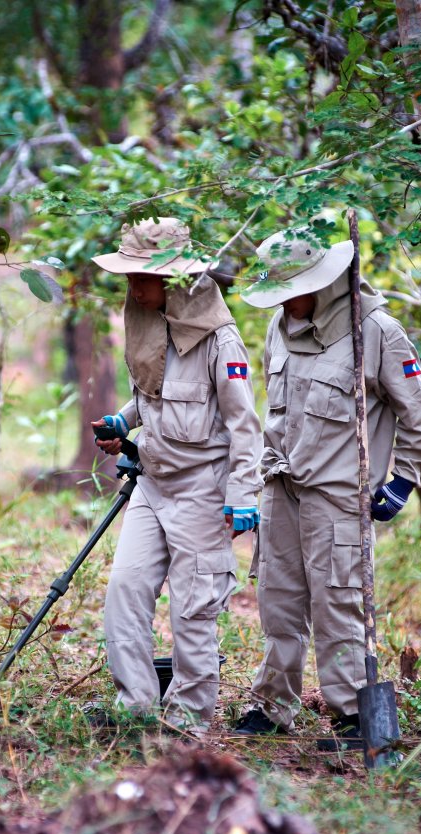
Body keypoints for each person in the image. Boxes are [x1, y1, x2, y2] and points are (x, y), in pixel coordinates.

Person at [231, 223, 421, 749]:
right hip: (281, 484)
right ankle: (273, 705)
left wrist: (404, 480)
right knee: (277, 601)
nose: (283, 303)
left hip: (337, 495)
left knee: (337, 603)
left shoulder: (377, 331)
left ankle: (350, 714)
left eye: (290, 291)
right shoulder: (279, 326)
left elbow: (418, 413)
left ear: (318, 283)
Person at [90, 217, 263, 733]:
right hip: (151, 482)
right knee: (125, 591)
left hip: (202, 491)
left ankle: (188, 721)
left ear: (170, 281)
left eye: (140, 277)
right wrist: (125, 419)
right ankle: (136, 709)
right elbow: (153, 395)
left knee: (193, 609)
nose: (131, 287)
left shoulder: (219, 342)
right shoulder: (149, 324)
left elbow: (244, 427)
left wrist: (243, 495)